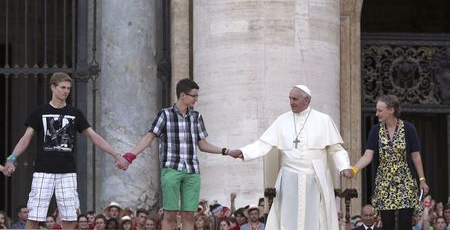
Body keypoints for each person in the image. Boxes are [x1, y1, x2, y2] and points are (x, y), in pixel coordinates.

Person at [2, 72, 129, 230]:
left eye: (68, 88)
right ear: (53, 87)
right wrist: (12, 158)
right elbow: (26, 138)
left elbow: (94, 136)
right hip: (43, 171)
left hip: (67, 172)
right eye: (62, 87)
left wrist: (115, 154)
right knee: (34, 216)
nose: (66, 91)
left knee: (69, 217)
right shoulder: (39, 112)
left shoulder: (74, 113)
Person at [231, 85, 352, 230]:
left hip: (315, 179)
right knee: (287, 220)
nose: (291, 102)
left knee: (315, 220)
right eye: (290, 98)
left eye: (295, 99)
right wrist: (244, 152)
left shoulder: (324, 120)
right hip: (289, 179)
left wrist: (344, 166)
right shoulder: (282, 120)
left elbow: (336, 149)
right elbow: (263, 144)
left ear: (307, 100)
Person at [122, 78, 238, 230]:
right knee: (170, 215)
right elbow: (150, 136)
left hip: (192, 171)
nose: (196, 99)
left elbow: (202, 144)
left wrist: (227, 151)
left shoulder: (197, 117)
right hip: (171, 169)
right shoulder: (165, 115)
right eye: (194, 95)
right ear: (183, 95)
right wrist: (130, 156)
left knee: (189, 215)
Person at [352, 95, 429, 230]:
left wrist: (422, 179)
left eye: (380, 110)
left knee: (405, 223)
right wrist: (353, 169)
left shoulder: (408, 129)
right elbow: (367, 155)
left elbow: (416, 156)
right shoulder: (376, 130)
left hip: (405, 181)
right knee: (387, 224)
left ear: (391, 110)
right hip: (385, 182)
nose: (376, 114)